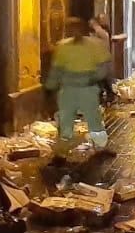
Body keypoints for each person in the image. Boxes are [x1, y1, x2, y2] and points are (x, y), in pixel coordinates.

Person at [47, 17, 112, 150]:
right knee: (65, 121)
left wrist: (96, 78)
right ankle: (62, 151)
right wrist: (50, 87)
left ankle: (101, 147)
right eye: (71, 28)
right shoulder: (62, 47)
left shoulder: (94, 45)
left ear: (83, 29)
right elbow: (56, 69)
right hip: (68, 89)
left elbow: (103, 65)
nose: (74, 31)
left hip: (87, 88)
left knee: (94, 118)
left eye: (77, 28)